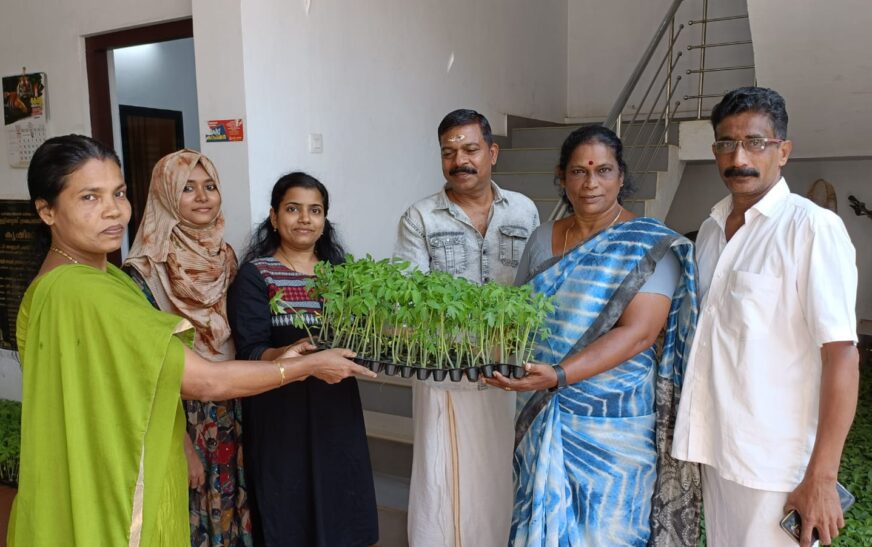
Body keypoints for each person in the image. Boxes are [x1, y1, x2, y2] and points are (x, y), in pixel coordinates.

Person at [9, 135, 373, 546]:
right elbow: (203, 381)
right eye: (90, 197)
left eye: (119, 193)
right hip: (129, 460)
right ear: (47, 210)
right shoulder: (98, 287)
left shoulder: (85, 281)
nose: (113, 211)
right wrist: (304, 366)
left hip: (213, 410)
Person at [485, 125, 702, 546]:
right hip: (543, 405)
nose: (590, 184)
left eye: (603, 171)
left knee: (612, 526)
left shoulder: (647, 244)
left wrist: (560, 374)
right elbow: (519, 317)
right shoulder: (542, 239)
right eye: (579, 172)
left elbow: (640, 334)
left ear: (621, 176)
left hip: (613, 417)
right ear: (562, 176)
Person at [671, 87, 859, 547]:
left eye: (755, 142)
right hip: (716, 452)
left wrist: (820, 478)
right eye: (726, 143)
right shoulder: (712, 231)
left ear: (783, 151)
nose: (739, 157)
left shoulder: (811, 228)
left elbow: (842, 356)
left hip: (776, 464)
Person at [393, 109, 540, 547]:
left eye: (471, 149)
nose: (461, 160)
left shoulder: (525, 210)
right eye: (449, 152)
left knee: (501, 473)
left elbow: (535, 286)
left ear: (492, 152)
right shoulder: (420, 217)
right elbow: (408, 297)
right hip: (446, 372)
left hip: (507, 370)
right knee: (442, 478)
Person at [227, 172, 378, 546]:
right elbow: (250, 351)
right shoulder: (256, 275)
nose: (304, 219)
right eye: (293, 209)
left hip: (337, 408)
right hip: (280, 412)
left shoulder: (341, 276)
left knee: (341, 502)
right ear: (275, 217)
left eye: (315, 210)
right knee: (288, 509)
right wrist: (289, 354)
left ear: (325, 221)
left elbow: (362, 334)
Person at [124, 149, 251, 546]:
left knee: (231, 506)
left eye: (210, 186)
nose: (202, 197)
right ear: (164, 195)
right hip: (177, 413)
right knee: (186, 512)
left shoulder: (225, 258)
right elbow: (147, 369)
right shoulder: (143, 271)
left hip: (230, 402)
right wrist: (182, 445)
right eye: (187, 188)